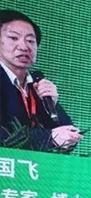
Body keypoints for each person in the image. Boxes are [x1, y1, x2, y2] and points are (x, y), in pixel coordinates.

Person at [0, 10, 82, 151]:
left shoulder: (36, 84)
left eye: (30, 41)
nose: (24, 47)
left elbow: (68, 137)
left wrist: (52, 105)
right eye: (14, 38)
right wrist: (49, 138)